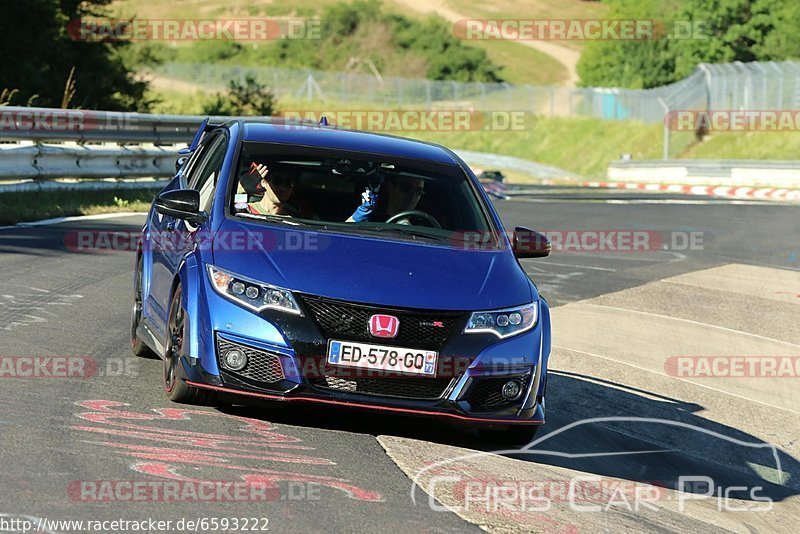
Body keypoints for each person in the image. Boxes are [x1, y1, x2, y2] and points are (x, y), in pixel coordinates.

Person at [348, 175, 426, 223]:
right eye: (406, 188)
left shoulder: (426, 225)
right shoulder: (371, 221)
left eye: (419, 191)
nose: (413, 195)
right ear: (390, 188)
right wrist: (355, 219)